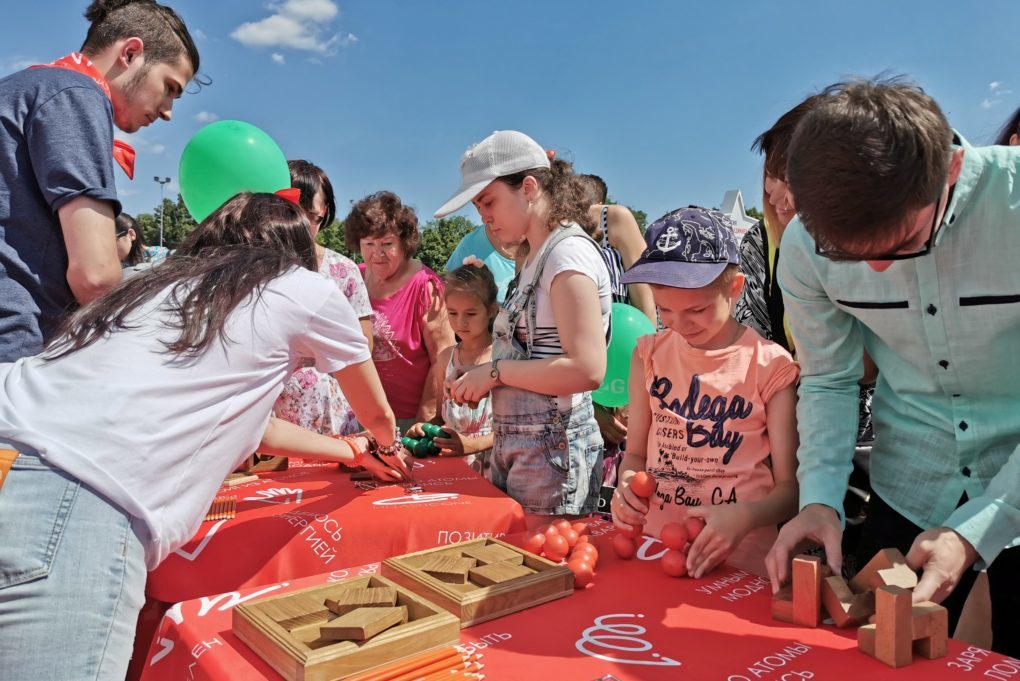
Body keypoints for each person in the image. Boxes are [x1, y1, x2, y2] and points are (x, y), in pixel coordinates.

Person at [0, 192, 407, 678]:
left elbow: (255, 428)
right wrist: (384, 445)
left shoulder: (152, 284)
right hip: (71, 498)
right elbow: (378, 414)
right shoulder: (302, 287)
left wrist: (347, 451)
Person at [765, 78, 1020, 657]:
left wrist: (983, 526)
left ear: (951, 170)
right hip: (911, 484)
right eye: (852, 256)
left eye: (902, 244)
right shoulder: (805, 247)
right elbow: (829, 379)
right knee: (878, 656)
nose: (877, 272)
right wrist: (820, 500)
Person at [0, 0, 199, 363]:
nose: (169, 111)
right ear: (131, 52)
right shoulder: (77, 94)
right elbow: (96, 276)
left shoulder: (22, 87)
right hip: (15, 350)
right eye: (170, 87)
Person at [610, 206, 800, 579]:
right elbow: (634, 455)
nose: (679, 324)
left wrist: (745, 517)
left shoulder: (769, 365)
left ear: (734, 288)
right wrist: (627, 485)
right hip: (658, 550)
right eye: (665, 310)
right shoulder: (647, 355)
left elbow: (790, 491)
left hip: (740, 564)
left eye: (695, 310)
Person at [437, 130, 611, 519]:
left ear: (528, 187)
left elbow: (587, 369)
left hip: (554, 454)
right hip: (527, 450)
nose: (483, 217)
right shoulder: (535, 255)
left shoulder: (567, 255)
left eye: (489, 202)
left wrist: (494, 373)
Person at [734, 95, 877, 535]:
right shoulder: (761, 245)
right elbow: (751, 346)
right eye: (770, 175)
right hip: (786, 432)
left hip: (866, 439)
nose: (776, 193)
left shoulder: (870, 239)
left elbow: (864, 365)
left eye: (789, 176)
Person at [273, 160, 374, 436]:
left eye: (312, 216)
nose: (301, 225)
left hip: (334, 416)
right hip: (271, 418)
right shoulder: (259, 270)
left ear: (324, 212)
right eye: (292, 213)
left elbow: (364, 347)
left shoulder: (344, 272)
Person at [346, 191, 455, 429]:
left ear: (404, 243)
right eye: (369, 244)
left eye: (387, 243)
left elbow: (443, 358)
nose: (377, 253)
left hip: (409, 419)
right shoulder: (354, 277)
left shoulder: (425, 285)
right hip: (360, 414)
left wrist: (424, 422)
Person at [409, 261, 498, 475]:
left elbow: (517, 430)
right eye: (453, 313)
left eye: (471, 313)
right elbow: (443, 416)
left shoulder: (503, 359)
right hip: (451, 469)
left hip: (494, 471)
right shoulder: (446, 358)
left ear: (492, 310)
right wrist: (424, 429)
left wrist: (471, 445)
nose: (461, 323)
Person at [445, 219, 521, 303]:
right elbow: (447, 291)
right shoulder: (468, 245)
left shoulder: (536, 246)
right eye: (478, 206)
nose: (483, 217)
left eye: (489, 204)